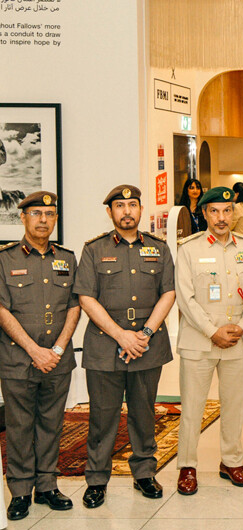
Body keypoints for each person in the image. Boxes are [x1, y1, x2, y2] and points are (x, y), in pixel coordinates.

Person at [75, 185, 176, 508]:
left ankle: (144, 472)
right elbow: (86, 297)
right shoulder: (93, 249)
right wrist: (121, 335)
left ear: (141, 210)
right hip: (105, 345)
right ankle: (97, 479)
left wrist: (144, 333)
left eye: (133, 205)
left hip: (148, 343)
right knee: (102, 417)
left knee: (144, 413)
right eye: (120, 206)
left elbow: (169, 292)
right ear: (110, 212)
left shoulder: (159, 248)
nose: (127, 211)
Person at [173, 186, 243, 494]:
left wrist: (242, 325)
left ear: (234, 214)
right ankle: (187, 466)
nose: (222, 218)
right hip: (199, 341)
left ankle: (232, 461)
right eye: (215, 211)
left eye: (227, 211)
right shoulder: (189, 249)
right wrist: (212, 331)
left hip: (239, 339)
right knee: (193, 407)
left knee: (235, 405)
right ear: (205, 214)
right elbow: (185, 298)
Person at [0, 192, 80, 519]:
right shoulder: (5, 259)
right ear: (23, 218)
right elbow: (2, 310)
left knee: (51, 422)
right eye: (36, 213)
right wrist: (34, 350)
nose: (43, 219)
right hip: (18, 359)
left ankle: (47, 485)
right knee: (19, 426)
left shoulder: (67, 258)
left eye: (49, 213)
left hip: (57, 360)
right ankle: (20, 491)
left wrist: (58, 349)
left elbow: (75, 305)